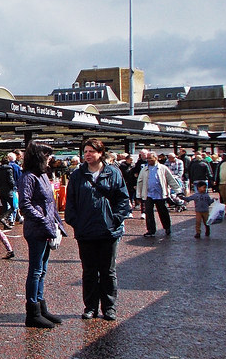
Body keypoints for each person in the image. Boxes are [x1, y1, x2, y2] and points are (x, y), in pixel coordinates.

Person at [65, 138, 132, 321]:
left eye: (91, 151)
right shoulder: (77, 175)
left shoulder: (113, 173)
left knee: (108, 271)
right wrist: (76, 222)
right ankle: (90, 307)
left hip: (108, 231)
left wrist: (115, 219)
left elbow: (123, 199)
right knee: (89, 271)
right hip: (85, 231)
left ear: (100, 153)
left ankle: (109, 307)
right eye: (85, 151)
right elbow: (70, 203)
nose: (87, 155)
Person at [19, 141, 67, 328]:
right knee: (36, 270)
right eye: (46, 155)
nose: (49, 159)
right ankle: (32, 311)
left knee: (42, 270)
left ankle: (40, 305)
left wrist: (57, 224)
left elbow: (50, 203)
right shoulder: (28, 177)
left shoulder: (43, 175)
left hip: (46, 228)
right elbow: (25, 204)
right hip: (36, 229)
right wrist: (44, 220)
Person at [136, 151, 182, 237]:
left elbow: (171, 180)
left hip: (160, 194)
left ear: (156, 158)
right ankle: (151, 230)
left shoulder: (163, 168)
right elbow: (140, 182)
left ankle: (167, 227)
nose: (148, 160)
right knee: (149, 213)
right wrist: (138, 195)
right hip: (148, 194)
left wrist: (178, 191)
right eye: (148, 158)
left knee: (163, 211)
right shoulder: (144, 169)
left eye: (150, 158)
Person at [0, 155, 17, 229]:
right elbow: (10, 180)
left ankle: (5, 224)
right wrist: (14, 186)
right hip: (8, 191)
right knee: (13, 206)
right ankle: (4, 218)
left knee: (5, 207)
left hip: (1, 191)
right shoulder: (9, 169)